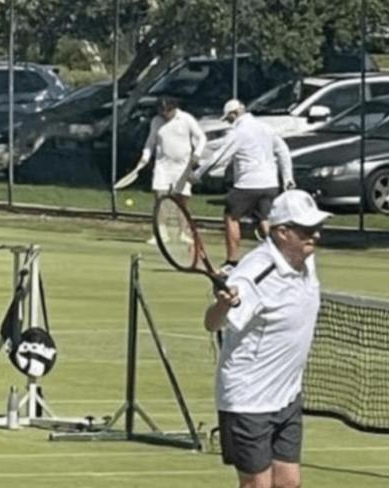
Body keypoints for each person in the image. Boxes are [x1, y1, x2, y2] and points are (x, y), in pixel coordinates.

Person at [203, 189, 331, 488]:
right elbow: (212, 323)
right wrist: (223, 303)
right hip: (249, 399)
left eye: (317, 228)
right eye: (307, 230)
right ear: (282, 232)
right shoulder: (255, 273)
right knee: (257, 486)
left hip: (287, 395)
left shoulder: (305, 258)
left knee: (288, 483)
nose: (316, 235)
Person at [192, 99, 295, 271]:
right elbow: (283, 151)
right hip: (270, 184)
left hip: (247, 183)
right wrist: (287, 178)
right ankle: (280, 258)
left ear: (234, 114)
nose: (229, 122)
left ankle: (232, 262)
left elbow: (220, 157)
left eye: (229, 118)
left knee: (231, 217)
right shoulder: (265, 128)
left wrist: (197, 174)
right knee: (264, 219)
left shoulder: (239, 132)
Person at [136, 96, 207, 244]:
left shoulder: (186, 118)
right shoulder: (156, 121)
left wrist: (197, 154)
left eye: (167, 110)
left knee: (182, 201)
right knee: (160, 199)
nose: (164, 114)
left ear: (174, 108)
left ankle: (183, 233)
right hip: (163, 166)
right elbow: (150, 142)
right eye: (161, 111)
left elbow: (201, 138)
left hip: (183, 167)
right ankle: (161, 234)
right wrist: (145, 157)